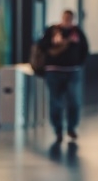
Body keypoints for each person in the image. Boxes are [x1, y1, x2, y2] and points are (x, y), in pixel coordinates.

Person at [38, 10, 90, 144]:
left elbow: (85, 49)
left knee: (74, 101)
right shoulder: (52, 30)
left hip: (72, 71)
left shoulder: (77, 32)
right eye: (65, 18)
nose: (67, 20)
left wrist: (79, 63)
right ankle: (58, 129)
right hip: (54, 71)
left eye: (70, 18)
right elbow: (42, 46)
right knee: (56, 102)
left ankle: (71, 127)